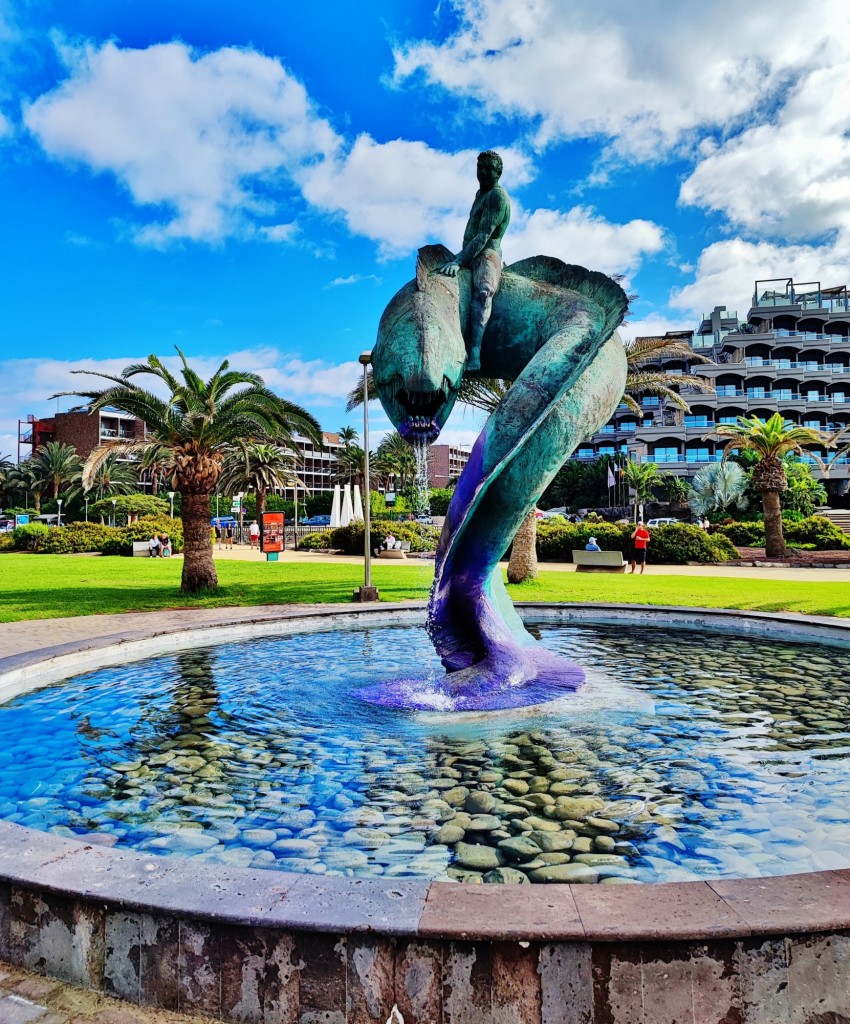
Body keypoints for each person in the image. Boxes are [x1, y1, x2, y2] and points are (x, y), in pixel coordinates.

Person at [436, 150, 511, 371]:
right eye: (481, 168)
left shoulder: (497, 196)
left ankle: (476, 351)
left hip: (487, 253)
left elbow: (483, 235)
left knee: (483, 291)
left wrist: (459, 260)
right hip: (470, 252)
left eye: (489, 168)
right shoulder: (480, 194)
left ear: (499, 172)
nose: (484, 172)